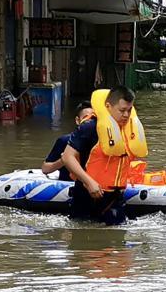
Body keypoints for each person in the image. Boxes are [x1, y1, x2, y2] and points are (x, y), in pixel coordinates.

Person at [61, 86, 147, 224]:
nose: (126, 115)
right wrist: (89, 182)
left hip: (115, 197)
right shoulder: (89, 127)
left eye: (129, 110)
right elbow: (67, 157)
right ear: (108, 106)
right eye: (122, 110)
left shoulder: (129, 130)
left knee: (117, 241)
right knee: (82, 239)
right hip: (87, 194)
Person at [41, 101, 95, 175]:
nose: (90, 122)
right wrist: (63, 161)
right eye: (86, 118)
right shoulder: (65, 140)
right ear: (77, 120)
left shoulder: (102, 142)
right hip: (68, 183)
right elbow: (45, 169)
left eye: (93, 119)